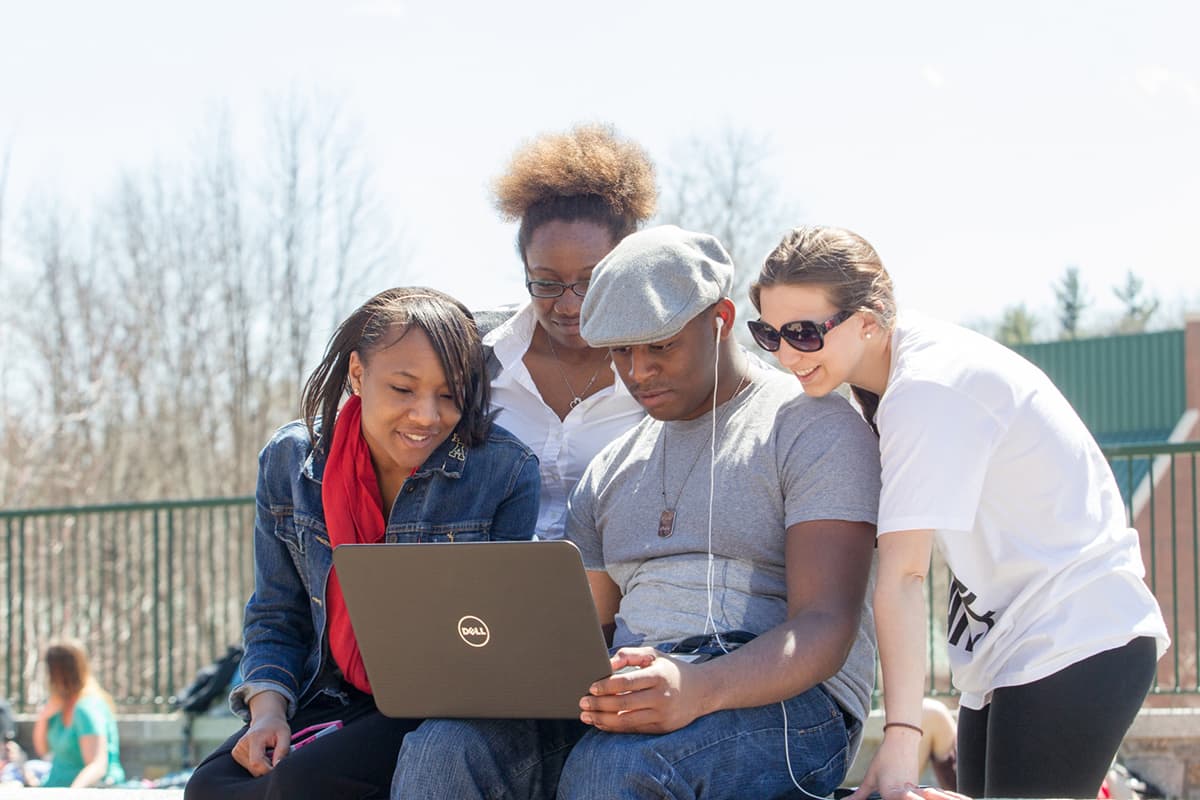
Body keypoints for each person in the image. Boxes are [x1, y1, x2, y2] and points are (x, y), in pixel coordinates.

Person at [391, 225, 882, 799]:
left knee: (613, 767)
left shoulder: (811, 424)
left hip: (790, 705)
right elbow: (583, 632)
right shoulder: (611, 470)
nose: (639, 371)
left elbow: (825, 628)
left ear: (720, 319)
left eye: (660, 346)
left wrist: (698, 686)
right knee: (444, 749)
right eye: (621, 351)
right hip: (639, 692)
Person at [748, 225, 1170, 799]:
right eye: (769, 333)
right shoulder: (882, 383)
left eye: (802, 332)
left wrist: (901, 735)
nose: (787, 354)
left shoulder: (925, 389)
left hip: (1077, 635)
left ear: (868, 321)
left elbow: (903, 575)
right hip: (1008, 649)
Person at [185, 287, 540, 800]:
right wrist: (267, 711)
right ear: (357, 374)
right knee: (211, 786)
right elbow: (276, 612)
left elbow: (493, 641)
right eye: (403, 389)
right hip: (325, 690)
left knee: (302, 783)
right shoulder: (290, 461)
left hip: (435, 704)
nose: (427, 416)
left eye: (449, 394)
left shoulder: (504, 471)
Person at [482, 123, 653, 539]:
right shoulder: (477, 355)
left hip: (619, 590)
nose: (568, 305)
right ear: (524, 268)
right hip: (489, 591)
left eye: (590, 281)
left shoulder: (665, 365)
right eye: (546, 282)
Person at [29, 639, 125, 788]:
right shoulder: (58, 704)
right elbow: (43, 750)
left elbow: (97, 765)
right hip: (55, 786)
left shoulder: (86, 708)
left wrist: (74, 793)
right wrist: (43, 717)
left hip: (85, 790)